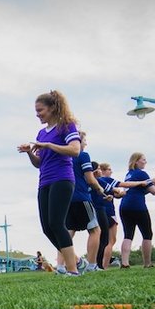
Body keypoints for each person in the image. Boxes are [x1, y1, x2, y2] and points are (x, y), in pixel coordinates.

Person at [16, 90, 83, 275]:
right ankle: (76, 260)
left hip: (62, 179)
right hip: (44, 181)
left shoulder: (66, 126)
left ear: (53, 108)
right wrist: (30, 152)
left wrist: (48, 145)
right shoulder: (41, 133)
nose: (37, 114)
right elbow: (39, 163)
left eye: (40, 110)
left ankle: (72, 270)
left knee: (57, 223)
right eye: (36, 111)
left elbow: (75, 150)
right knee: (47, 227)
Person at [66, 132, 106, 272]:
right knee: (95, 230)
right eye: (84, 140)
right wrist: (100, 189)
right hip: (82, 197)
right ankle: (91, 265)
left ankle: (65, 265)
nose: (86, 143)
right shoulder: (83, 155)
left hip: (67, 199)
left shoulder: (64, 156)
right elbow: (90, 179)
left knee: (67, 234)